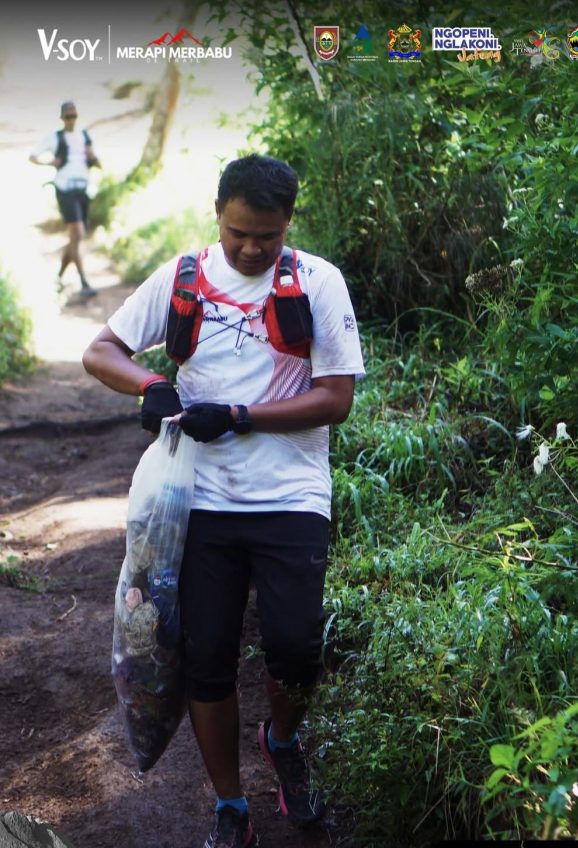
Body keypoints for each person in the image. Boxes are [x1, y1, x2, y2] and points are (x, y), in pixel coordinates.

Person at [82, 154, 365, 848]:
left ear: (287, 225)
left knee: (296, 648)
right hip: (197, 500)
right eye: (239, 232)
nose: (250, 248)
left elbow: (337, 399)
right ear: (218, 213)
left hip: (292, 496)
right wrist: (151, 385)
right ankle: (231, 807)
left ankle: (281, 739)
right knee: (205, 659)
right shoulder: (184, 277)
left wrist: (241, 414)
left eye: (265, 236)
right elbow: (100, 351)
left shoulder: (317, 282)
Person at [29, 100, 100, 298]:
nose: (71, 120)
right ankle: (84, 282)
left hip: (82, 190)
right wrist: (50, 163)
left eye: (74, 116)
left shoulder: (85, 136)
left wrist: (93, 157)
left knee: (75, 238)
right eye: (68, 116)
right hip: (65, 189)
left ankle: (58, 277)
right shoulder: (55, 138)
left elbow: (98, 163)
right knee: (77, 232)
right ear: (62, 118)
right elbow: (32, 156)